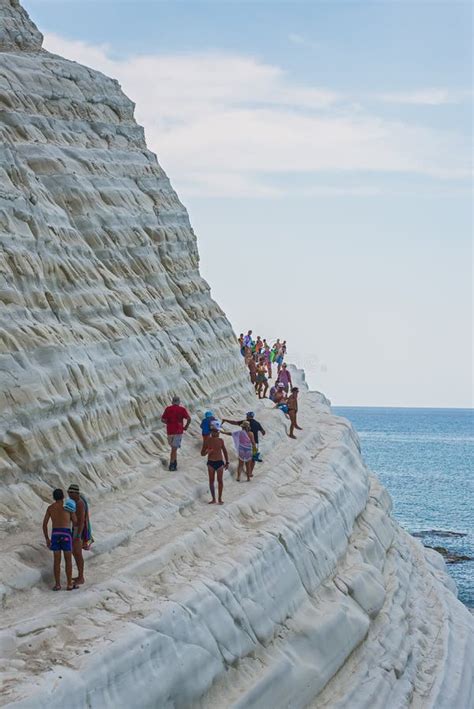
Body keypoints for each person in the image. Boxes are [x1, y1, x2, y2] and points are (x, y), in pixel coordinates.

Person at [42, 489, 78, 591]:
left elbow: (44, 524)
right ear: (63, 497)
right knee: (68, 560)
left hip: (55, 534)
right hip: (66, 533)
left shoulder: (50, 508)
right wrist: (74, 537)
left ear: (53, 497)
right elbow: (75, 522)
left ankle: (57, 585)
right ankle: (69, 584)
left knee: (56, 561)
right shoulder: (68, 506)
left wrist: (47, 539)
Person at [67, 483, 91, 585]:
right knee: (75, 553)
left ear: (76, 493)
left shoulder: (80, 503)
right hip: (76, 529)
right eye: (68, 492)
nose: (69, 494)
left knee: (77, 553)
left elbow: (81, 521)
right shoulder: (76, 501)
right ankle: (80, 576)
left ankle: (81, 577)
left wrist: (77, 535)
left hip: (78, 530)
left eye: (71, 493)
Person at [201, 422, 229, 504]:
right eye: (215, 432)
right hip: (211, 462)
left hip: (219, 462)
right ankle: (214, 498)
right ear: (211, 432)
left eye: (217, 432)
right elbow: (202, 453)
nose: (216, 433)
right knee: (211, 481)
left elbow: (225, 451)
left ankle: (219, 498)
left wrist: (227, 462)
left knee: (220, 481)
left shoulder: (221, 441)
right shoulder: (207, 440)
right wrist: (207, 452)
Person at [161, 396, 191, 471]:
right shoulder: (182, 409)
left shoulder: (168, 409)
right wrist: (186, 426)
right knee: (174, 449)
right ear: (179, 402)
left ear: (172, 401)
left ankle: (174, 462)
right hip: (178, 431)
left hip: (170, 431)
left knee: (173, 448)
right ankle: (172, 465)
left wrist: (168, 423)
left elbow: (162, 419)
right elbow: (189, 419)